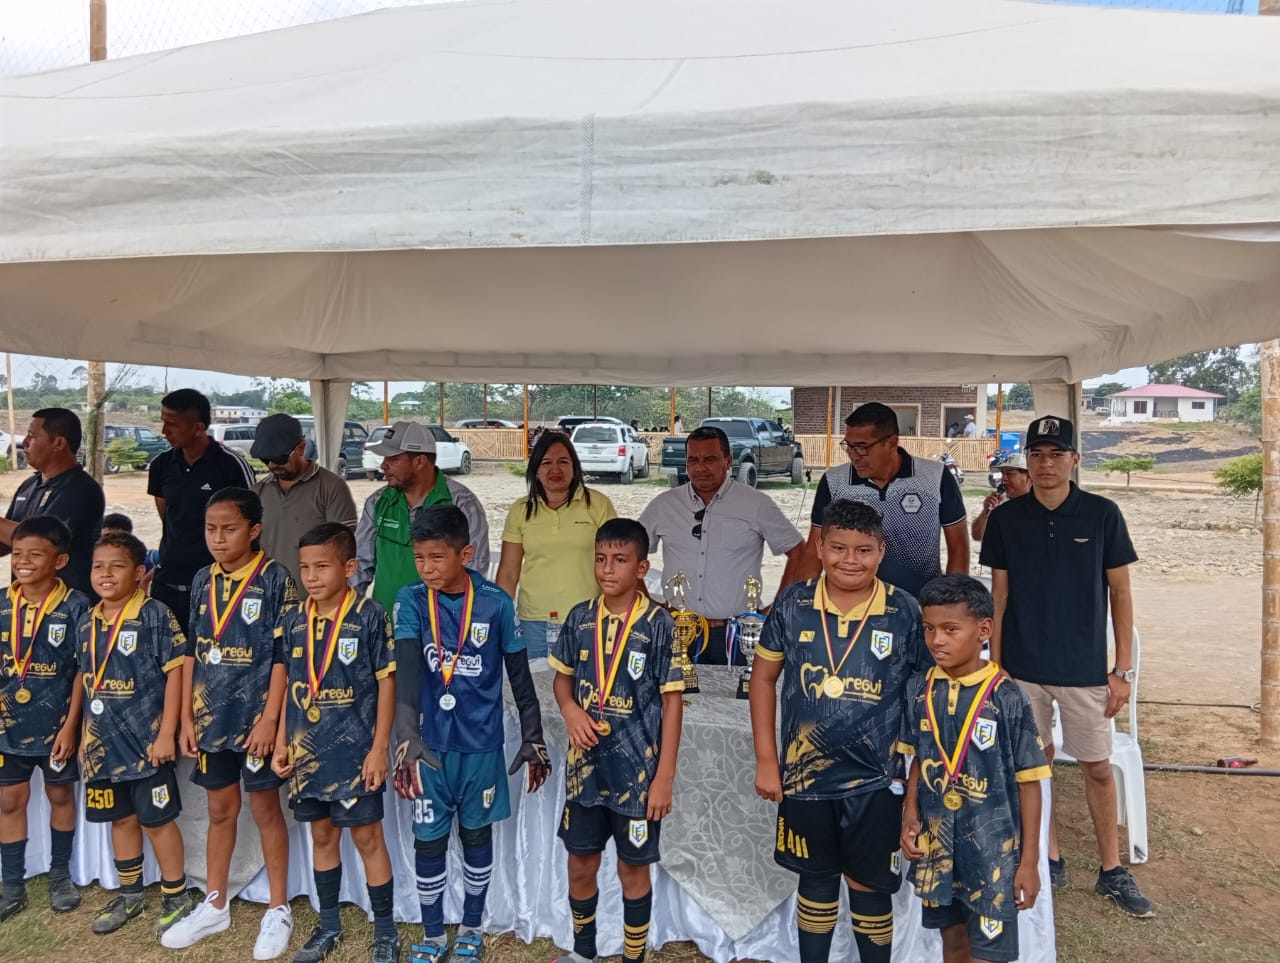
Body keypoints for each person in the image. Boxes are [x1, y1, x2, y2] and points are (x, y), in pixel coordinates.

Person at [979, 415, 1152, 917]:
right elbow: (999, 597)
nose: (1046, 464)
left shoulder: (1102, 514)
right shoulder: (1007, 519)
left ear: (1075, 460)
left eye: (1057, 454)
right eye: (1037, 455)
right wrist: (997, 667)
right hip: (1023, 669)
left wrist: (1121, 671)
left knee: (1097, 767)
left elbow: (1120, 593)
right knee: (1036, 765)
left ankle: (1111, 869)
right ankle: (1048, 857)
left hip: (1084, 669)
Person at [750, 500, 928, 963]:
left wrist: (916, 786)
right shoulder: (794, 602)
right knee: (815, 880)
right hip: (804, 777)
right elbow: (763, 680)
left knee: (870, 885)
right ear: (819, 547)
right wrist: (768, 760)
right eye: (838, 548)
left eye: (863, 550)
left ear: (882, 551)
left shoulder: (904, 611)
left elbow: (926, 695)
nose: (850, 560)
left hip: (877, 780)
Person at [390, 505, 549, 962]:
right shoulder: (410, 600)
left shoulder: (496, 602)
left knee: (476, 836)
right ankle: (433, 934)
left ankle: (472, 928)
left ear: (466, 554)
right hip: (428, 746)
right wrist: (407, 736)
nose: (427, 568)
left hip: (480, 746)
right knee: (428, 840)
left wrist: (533, 735)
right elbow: (407, 670)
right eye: (420, 558)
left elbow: (519, 675)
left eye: (437, 558)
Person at [163, 489, 298, 957]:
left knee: (265, 811)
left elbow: (284, 656)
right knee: (220, 810)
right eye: (211, 529)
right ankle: (215, 903)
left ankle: (278, 908)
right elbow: (192, 649)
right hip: (211, 719)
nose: (218, 539)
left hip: (256, 720)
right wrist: (186, 717)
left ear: (254, 530)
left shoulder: (276, 578)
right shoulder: (203, 579)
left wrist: (270, 720)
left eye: (229, 529)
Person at [548, 519, 684, 963]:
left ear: (642, 568)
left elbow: (673, 703)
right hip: (585, 772)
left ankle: (633, 957)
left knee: (633, 868)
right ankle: (583, 952)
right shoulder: (579, 618)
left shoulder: (661, 625)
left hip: (637, 777)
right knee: (580, 862)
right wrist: (570, 710)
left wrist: (664, 778)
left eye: (620, 560)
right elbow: (562, 679)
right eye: (601, 559)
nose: (607, 569)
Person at [899, 575, 1049, 963]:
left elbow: (1030, 783)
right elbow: (917, 759)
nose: (937, 640)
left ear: (983, 630)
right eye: (929, 629)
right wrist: (910, 816)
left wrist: (1029, 862)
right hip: (938, 848)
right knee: (952, 941)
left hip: (992, 855)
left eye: (950, 629)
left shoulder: (1006, 696)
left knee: (988, 953)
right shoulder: (919, 690)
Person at [272, 523, 398, 963]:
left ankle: (386, 932)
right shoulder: (293, 619)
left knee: (367, 837)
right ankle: (328, 926)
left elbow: (387, 683)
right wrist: (282, 742)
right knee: (321, 836)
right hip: (307, 751)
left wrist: (379, 748)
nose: (311, 576)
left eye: (322, 567)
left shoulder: (370, 615)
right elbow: (288, 682)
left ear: (348, 567)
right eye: (305, 567)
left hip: (356, 752)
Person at [78, 531, 195, 937]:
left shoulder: (154, 614)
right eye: (98, 566)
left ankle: (176, 894)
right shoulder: (87, 620)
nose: (106, 574)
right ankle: (130, 894)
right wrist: (84, 735)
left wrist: (167, 733)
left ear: (140, 572)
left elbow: (176, 672)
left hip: (146, 744)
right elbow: (86, 679)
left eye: (117, 566)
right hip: (102, 744)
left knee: (156, 821)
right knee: (120, 818)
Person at [638, 426, 805, 665]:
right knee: (675, 690)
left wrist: (775, 609)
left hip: (735, 634)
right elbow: (629, 555)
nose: (700, 467)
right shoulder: (663, 505)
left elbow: (799, 553)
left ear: (728, 461)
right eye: (693, 460)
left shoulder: (756, 504)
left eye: (709, 459)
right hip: (677, 629)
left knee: (737, 690)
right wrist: (651, 606)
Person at [0, 517, 92, 919]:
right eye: (17, 553)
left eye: (35, 554)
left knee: (59, 795)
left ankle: (59, 875)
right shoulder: (2, 603)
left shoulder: (76, 606)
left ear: (60, 561)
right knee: (9, 799)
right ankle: (12, 884)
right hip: (8, 725)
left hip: (58, 727)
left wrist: (71, 727)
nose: (23, 562)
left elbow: (83, 671)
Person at [800, 403, 968, 598]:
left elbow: (959, 547)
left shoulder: (935, 477)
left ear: (892, 443)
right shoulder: (834, 481)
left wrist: (951, 600)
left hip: (919, 601)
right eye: (849, 446)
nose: (853, 455)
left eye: (862, 447)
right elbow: (814, 549)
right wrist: (800, 599)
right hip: (850, 603)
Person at [496, 431, 617, 659]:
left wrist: (611, 612)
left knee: (586, 680)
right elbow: (509, 572)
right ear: (535, 470)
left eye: (563, 462)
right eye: (546, 463)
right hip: (533, 621)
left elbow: (615, 564)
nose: (555, 469)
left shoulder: (598, 505)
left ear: (574, 467)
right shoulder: (521, 510)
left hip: (588, 618)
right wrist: (497, 618)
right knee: (536, 680)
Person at [355, 421, 490, 613]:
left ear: (420, 461)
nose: (383, 465)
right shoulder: (378, 502)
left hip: (442, 625)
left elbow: (475, 566)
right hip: (386, 623)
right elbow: (360, 563)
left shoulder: (462, 502)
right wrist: (348, 612)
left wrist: (457, 617)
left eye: (393, 459)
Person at [149, 389, 257, 629]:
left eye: (172, 424)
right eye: (163, 422)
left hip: (218, 585)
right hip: (167, 585)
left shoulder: (231, 465)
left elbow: (252, 522)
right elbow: (167, 516)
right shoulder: (161, 465)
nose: (164, 431)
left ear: (198, 427)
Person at [0, 407, 105, 597]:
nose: (24, 442)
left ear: (59, 443)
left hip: (66, 604)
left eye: (32, 436)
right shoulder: (30, 485)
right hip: (26, 602)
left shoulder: (81, 490)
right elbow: (7, 541)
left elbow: (40, 542)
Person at [251, 414, 358, 585]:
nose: (272, 465)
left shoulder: (331, 487)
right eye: (265, 459)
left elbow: (343, 549)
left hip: (315, 597)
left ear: (302, 448)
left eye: (280, 458)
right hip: (268, 595)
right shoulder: (257, 493)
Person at [971, 454, 1031, 543]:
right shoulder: (1000, 502)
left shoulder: (1042, 504)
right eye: (1003, 474)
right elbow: (977, 535)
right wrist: (986, 512)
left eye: (1009, 474)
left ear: (1028, 477)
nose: (1004, 479)